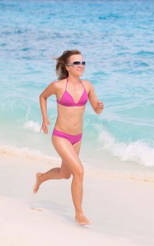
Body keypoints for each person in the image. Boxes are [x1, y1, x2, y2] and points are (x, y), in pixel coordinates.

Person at [33, 49, 104, 225]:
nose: (81, 66)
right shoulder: (58, 86)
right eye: (77, 63)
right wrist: (45, 118)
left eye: (83, 62)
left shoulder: (87, 85)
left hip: (77, 138)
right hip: (61, 136)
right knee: (79, 171)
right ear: (67, 67)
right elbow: (42, 97)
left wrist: (99, 107)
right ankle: (79, 213)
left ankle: (41, 177)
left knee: (66, 174)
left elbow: (96, 109)